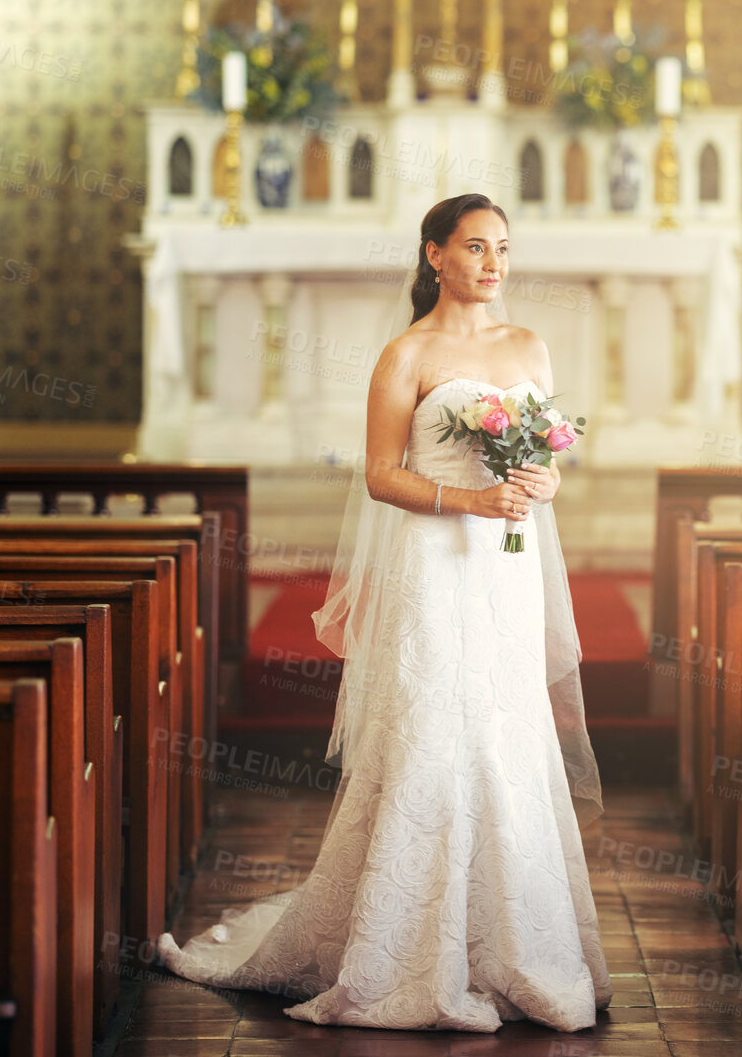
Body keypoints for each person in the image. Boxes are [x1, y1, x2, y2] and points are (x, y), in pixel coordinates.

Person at [156, 192, 611, 1033]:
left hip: (504, 568)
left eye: (503, 248)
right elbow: (378, 475)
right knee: (433, 726)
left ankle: (512, 942)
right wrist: (467, 500)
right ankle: (403, 950)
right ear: (434, 254)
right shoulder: (407, 353)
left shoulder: (528, 346)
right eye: (475, 247)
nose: (493, 263)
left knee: (503, 728)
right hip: (434, 564)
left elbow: (546, 457)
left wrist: (545, 481)